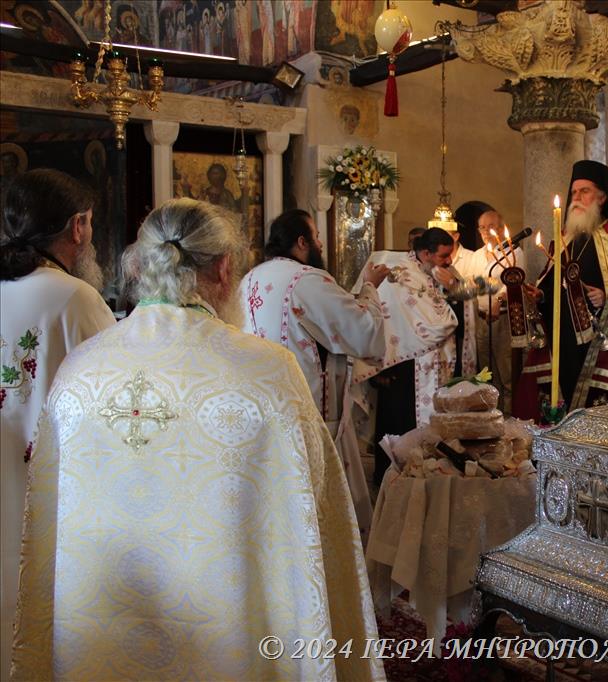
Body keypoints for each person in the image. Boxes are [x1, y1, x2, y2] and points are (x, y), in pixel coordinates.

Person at [10, 198, 383, 681]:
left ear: (140, 266)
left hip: (101, 631)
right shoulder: (266, 369)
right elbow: (314, 509)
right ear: (225, 268)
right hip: (232, 625)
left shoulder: (81, 369)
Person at [0, 169, 115, 682]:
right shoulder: (75, 297)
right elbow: (116, 392)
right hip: (48, 492)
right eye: (88, 222)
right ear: (77, 228)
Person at [239, 209, 389, 532]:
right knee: (323, 524)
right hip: (310, 425)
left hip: (260, 421)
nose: (322, 243)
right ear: (302, 241)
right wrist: (370, 288)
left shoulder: (248, 280)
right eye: (318, 237)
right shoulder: (306, 280)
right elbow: (363, 332)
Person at [514, 160, 608, 419]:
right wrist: (540, 295)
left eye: (584, 191)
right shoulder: (565, 236)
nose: (577, 198)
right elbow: (551, 280)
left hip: (598, 334)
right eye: (574, 192)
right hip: (562, 335)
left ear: (602, 196)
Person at [350, 228, 475, 485]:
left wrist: (452, 288)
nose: (449, 262)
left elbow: (457, 313)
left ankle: (421, 474)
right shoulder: (398, 272)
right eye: (443, 256)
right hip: (398, 365)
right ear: (426, 253)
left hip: (428, 367)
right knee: (395, 421)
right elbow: (435, 322)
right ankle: (392, 479)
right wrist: (382, 367)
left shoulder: (435, 273)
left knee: (411, 420)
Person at [454, 200, 518, 411]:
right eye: (481, 227)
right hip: (479, 319)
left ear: (501, 227)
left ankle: (508, 414)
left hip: (502, 318)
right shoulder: (478, 255)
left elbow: (514, 284)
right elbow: (470, 283)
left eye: (490, 227)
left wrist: (498, 299)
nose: (485, 232)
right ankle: (488, 412)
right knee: (484, 370)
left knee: (505, 370)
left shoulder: (514, 253)